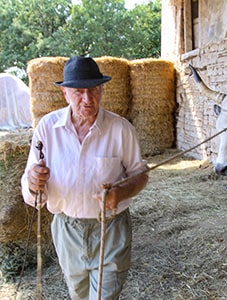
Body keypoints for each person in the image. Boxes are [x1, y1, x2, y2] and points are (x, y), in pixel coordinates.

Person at [21, 56, 149, 299]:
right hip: (67, 229)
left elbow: (140, 175)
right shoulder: (47, 129)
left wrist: (119, 193)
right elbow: (32, 192)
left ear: (101, 90)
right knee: (78, 294)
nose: (87, 99)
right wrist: (32, 181)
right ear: (65, 94)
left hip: (110, 228)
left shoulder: (120, 129)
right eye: (79, 92)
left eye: (94, 90)